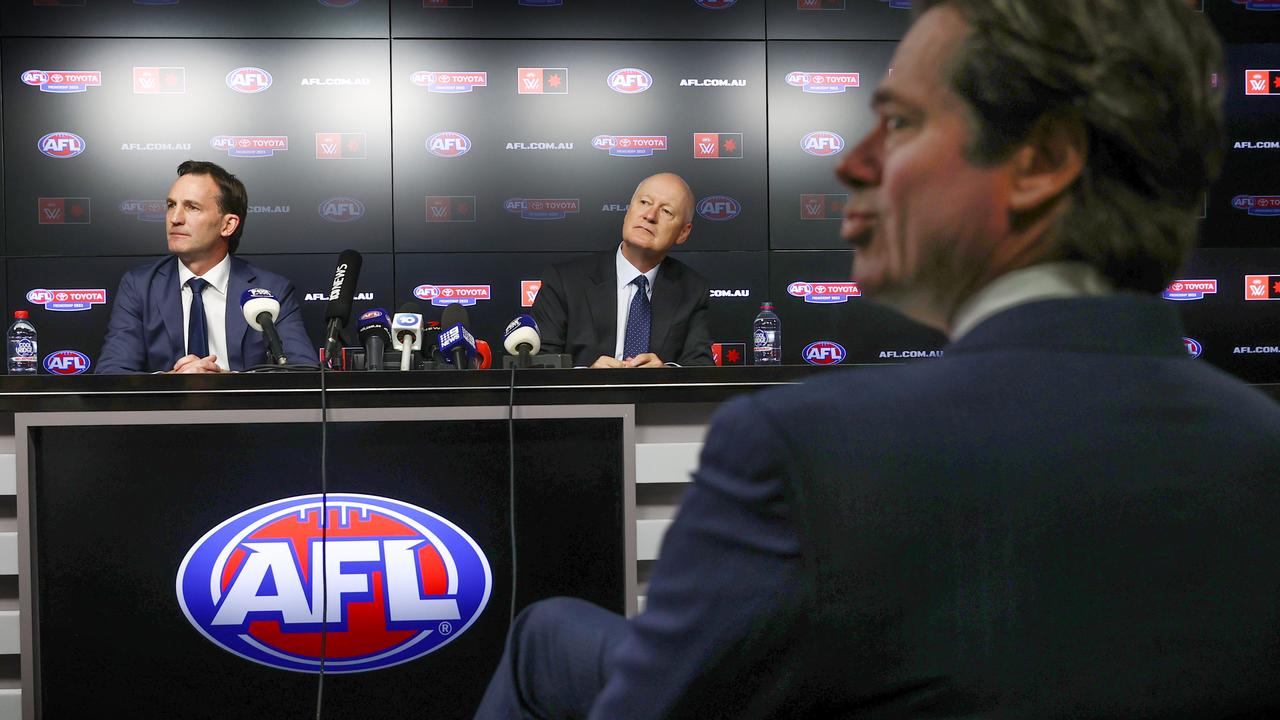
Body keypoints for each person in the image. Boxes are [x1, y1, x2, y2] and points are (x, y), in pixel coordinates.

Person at [475, 1, 1280, 717]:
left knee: (546, 634)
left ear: (1040, 162)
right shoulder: (1262, 448)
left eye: (898, 124)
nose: (853, 165)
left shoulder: (798, 452)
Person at [96, 160, 317, 373]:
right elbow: (111, 373)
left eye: (192, 207)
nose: (175, 218)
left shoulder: (272, 290)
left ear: (227, 225)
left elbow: (304, 372)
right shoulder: (140, 286)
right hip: (168, 411)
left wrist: (227, 382)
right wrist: (173, 382)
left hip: (243, 410)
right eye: (171, 205)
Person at [531, 172, 712, 368]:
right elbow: (539, 365)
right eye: (644, 202)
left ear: (683, 232)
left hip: (655, 399)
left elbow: (700, 367)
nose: (650, 215)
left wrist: (666, 374)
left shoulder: (692, 290)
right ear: (628, 211)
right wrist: (585, 378)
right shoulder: (564, 281)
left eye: (666, 211)